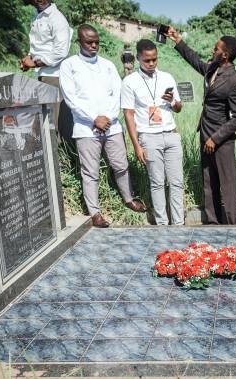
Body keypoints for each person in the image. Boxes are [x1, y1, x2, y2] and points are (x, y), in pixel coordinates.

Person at [60, 25, 146, 227]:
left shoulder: (107, 65)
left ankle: (128, 199)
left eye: (97, 41)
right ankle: (95, 213)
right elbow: (70, 98)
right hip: (86, 128)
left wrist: (108, 117)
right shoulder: (69, 65)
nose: (94, 45)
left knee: (121, 165)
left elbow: (118, 93)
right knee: (90, 171)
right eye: (89, 42)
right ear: (79, 42)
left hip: (112, 126)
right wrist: (93, 119)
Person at [166, 27, 236, 225]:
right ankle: (212, 222)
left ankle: (231, 225)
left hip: (222, 140)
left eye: (216, 48)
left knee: (227, 185)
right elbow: (195, 61)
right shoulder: (212, 68)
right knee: (209, 181)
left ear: (225, 55)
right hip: (205, 133)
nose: (213, 50)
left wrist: (215, 138)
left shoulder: (235, 81)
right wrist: (178, 41)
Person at [121, 39, 184, 226]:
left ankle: (179, 224)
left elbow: (178, 108)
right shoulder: (130, 81)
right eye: (147, 60)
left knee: (177, 182)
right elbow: (128, 115)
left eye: (154, 60)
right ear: (138, 58)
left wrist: (172, 101)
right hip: (149, 137)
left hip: (171, 134)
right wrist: (137, 145)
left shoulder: (167, 77)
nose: (151, 64)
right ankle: (162, 225)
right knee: (157, 183)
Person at [20, 0, 73, 140]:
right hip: (42, 74)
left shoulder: (57, 19)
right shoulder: (37, 16)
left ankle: (58, 158)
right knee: (43, 118)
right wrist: (29, 57)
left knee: (53, 121)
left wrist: (35, 63)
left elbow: (61, 52)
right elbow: (40, 45)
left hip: (53, 76)